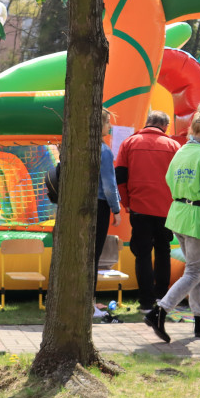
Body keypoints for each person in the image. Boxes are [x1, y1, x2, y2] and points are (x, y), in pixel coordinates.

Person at [145, 103, 200, 342]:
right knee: (194, 272)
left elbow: (170, 180)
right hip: (197, 218)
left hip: (179, 215)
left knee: (195, 272)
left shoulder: (181, 152)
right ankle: (160, 311)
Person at [114, 110, 181, 312]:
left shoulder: (129, 143)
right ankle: (162, 298)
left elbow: (120, 176)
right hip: (165, 209)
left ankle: (145, 301)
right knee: (164, 251)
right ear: (165, 127)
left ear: (147, 123)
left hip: (139, 208)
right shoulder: (174, 146)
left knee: (142, 254)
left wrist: (127, 203)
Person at [94, 109, 122, 318]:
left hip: (82, 206)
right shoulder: (103, 150)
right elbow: (109, 185)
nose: (110, 127)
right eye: (107, 123)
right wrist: (116, 209)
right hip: (99, 206)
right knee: (93, 255)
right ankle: (90, 302)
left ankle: (87, 300)